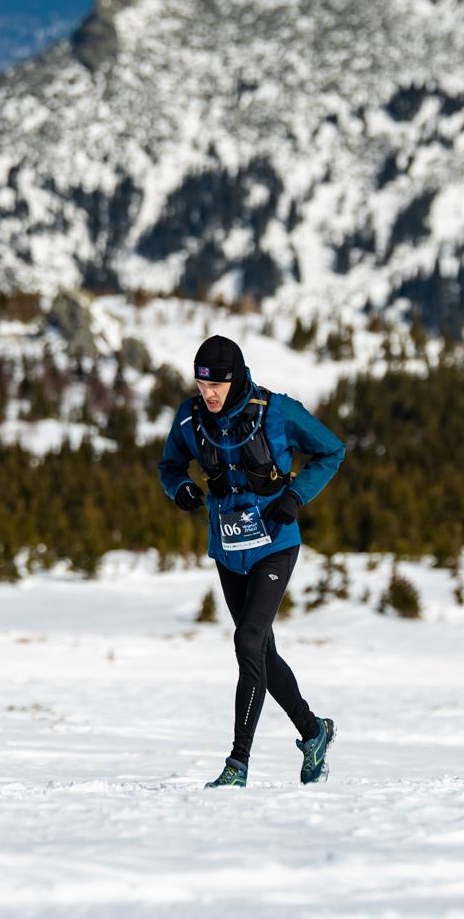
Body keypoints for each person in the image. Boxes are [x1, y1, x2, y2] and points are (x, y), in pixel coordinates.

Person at [158, 334, 346, 788]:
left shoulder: (277, 412)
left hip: (275, 544)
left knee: (247, 641)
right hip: (229, 550)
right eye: (203, 385)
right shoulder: (190, 418)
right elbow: (170, 466)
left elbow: (331, 450)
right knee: (260, 650)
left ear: (236, 378)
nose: (210, 393)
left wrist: (296, 497)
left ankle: (237, 764)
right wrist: (179, 488)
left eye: (218, 385)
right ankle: (313, 730)